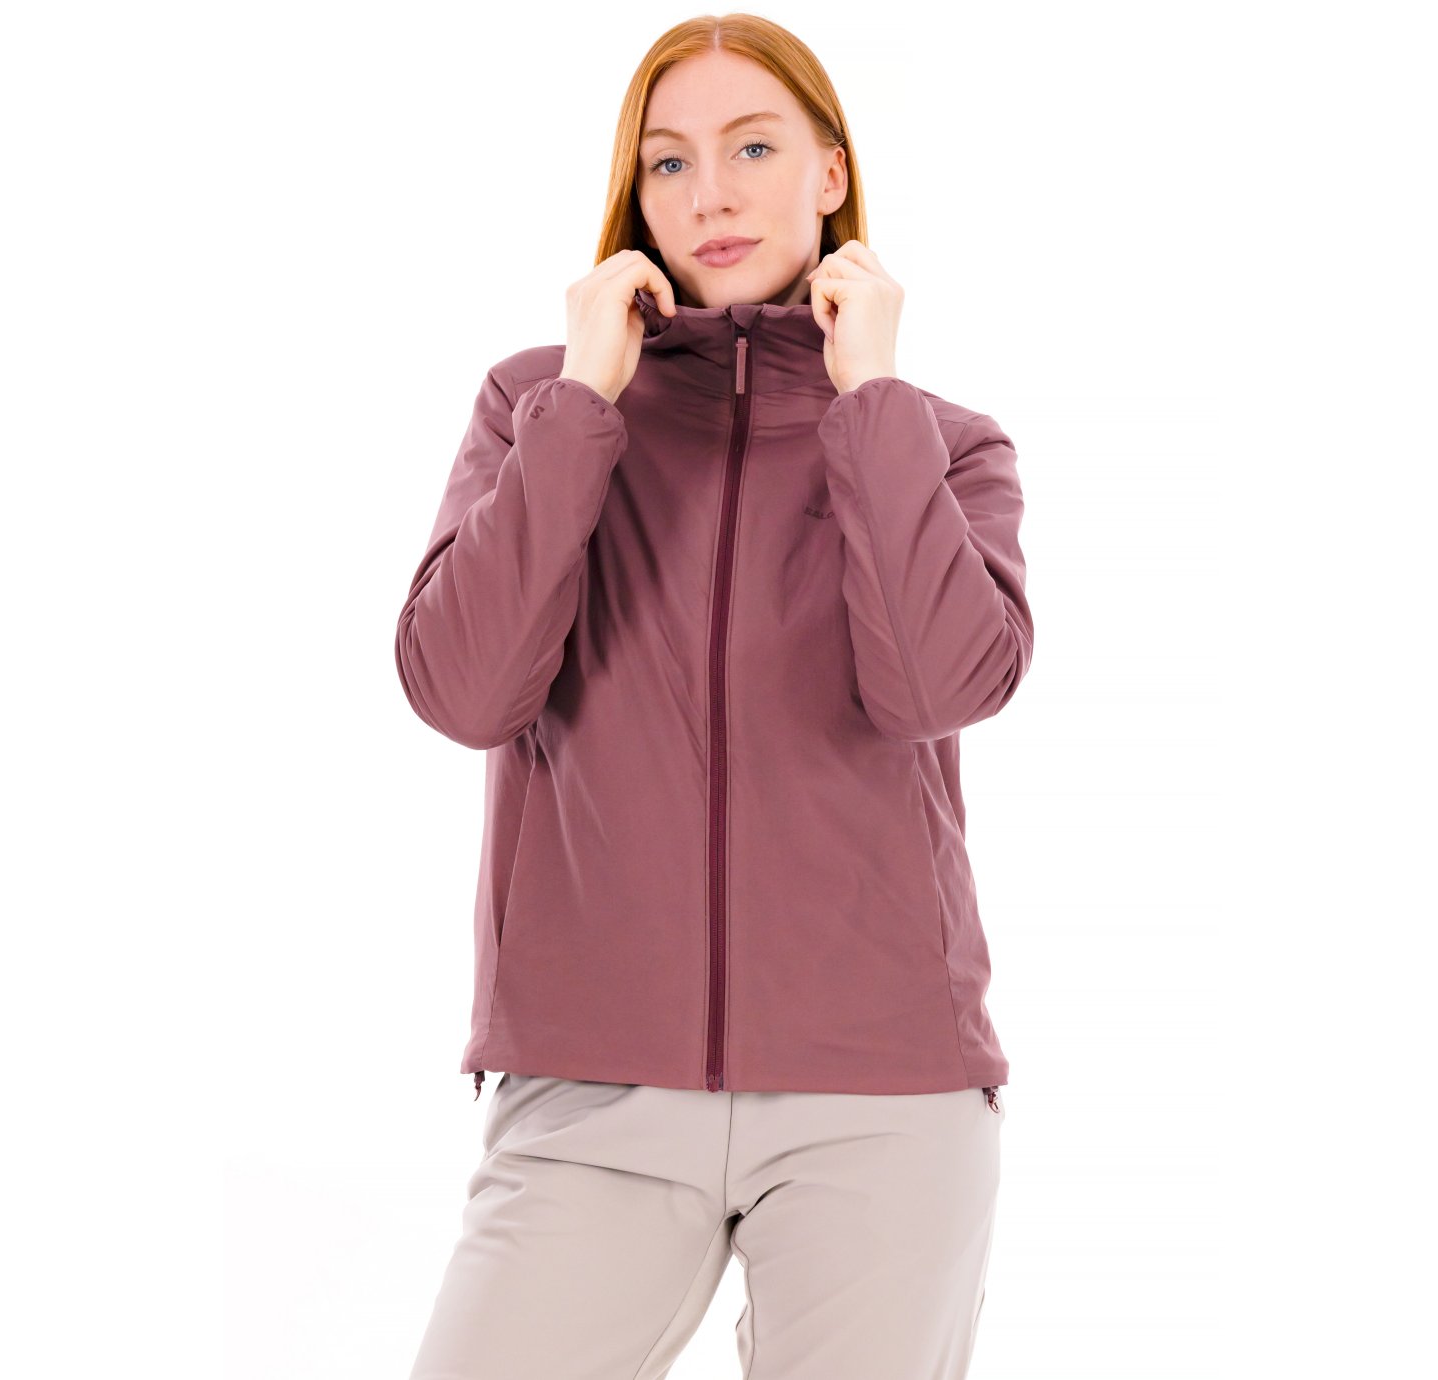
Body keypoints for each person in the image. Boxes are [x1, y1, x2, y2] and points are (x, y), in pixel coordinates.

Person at [395, 16, 1033, 1379]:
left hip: (883, 1092)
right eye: (669, 161)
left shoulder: (943, 442)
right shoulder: (537, 408)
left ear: (828, 174)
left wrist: (870, 402)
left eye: (752, 148)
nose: (710, 195)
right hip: (592, 1084)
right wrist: (583, 402)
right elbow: (463, 691)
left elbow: (939, 686)